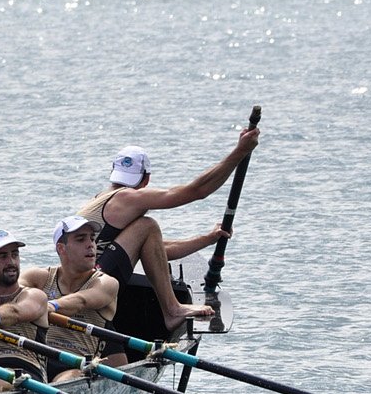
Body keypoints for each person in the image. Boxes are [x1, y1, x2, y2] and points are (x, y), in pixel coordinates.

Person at [77, 125, 257, 330]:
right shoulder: (128, 197)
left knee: (147, 229)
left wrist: (208, 238)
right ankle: (172, 310)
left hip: (86, 279)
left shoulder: (100, 198)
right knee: (149, 224)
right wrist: (240, 152)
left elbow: (159, 252)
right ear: (146, 178)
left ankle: (171, 308)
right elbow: (197, 191)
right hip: (94, 282)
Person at [22, 216, 120, 382]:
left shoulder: (105, 283)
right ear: (61, 248)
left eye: (92, 239)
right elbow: (12, 294)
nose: (90, 245)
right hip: (36, 360)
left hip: (76, 365)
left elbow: (81, 300)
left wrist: (50, 306)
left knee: (66, 380)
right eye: (81, 239)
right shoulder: (38, 277)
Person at [0, 229, 50, 394]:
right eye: (3, 256)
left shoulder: (34, 295)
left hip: (28, 376)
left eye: (15, 255)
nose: (11, 262)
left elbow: (15, 312)